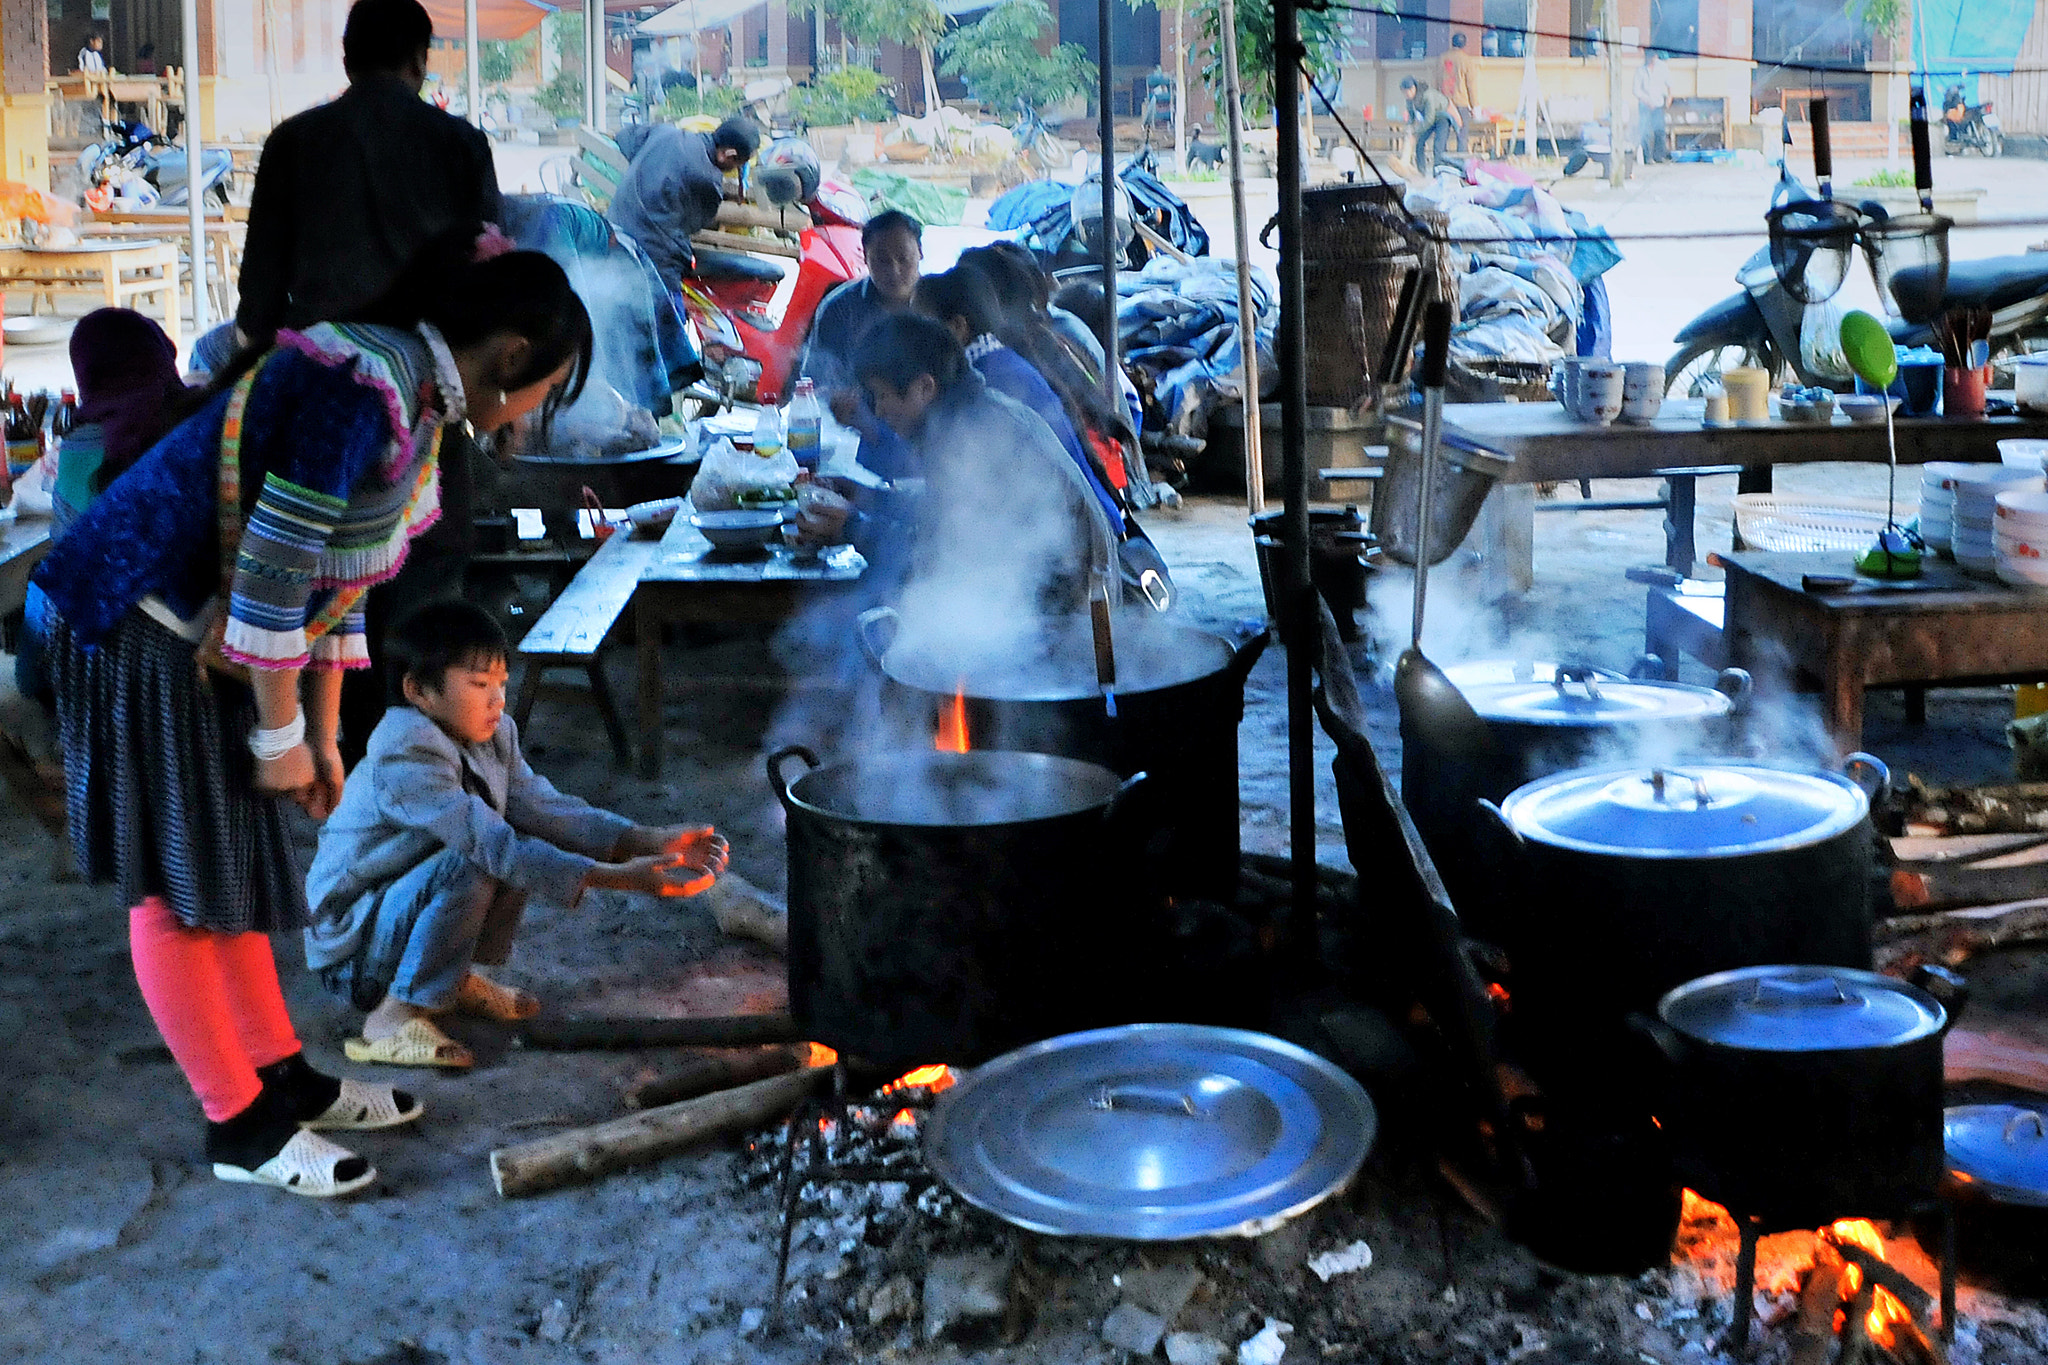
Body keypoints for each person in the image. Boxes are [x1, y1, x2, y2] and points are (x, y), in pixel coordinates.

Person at [30, 245, 595, 1198]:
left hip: (208, 635)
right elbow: (272, 576)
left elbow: (342, 589)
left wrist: (324, 742)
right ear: (510, 353)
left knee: (235, 867)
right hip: (131, 618)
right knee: (177, 883)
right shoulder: (362, 385)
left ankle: (278, 1072)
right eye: (544, 388)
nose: (533, 411)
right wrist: (281, 738)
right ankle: (238, 1124)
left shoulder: (414, 404)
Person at [304, 601, 729, 1069]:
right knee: (483, 856)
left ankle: (445, 980)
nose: (497, 700)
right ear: (419, 692)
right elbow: (493, 846)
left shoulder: (494, 734)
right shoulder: (405, 751)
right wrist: (620, 877)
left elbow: (546, 809)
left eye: (502, 684)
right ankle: (391, 1016)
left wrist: (650, 840)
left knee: (507, 842)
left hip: (398, 910)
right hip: (353, 944)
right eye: (479, 684)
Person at [795, 313, 1115, 619]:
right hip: (1034, 593)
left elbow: (945, 553)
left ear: (924, 387)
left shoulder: (979, 433)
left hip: (1060, 614)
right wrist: (869, 496)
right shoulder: (967, 414)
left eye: (882, 395)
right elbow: (947, 512)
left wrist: (852, 528)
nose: (878, 411)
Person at [236, 0, 501, 343]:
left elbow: (261, 281)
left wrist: (270, 358)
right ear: (420, 62)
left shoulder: (290, 142)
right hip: (432, 355)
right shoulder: (464, 143)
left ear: (347, 65)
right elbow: (492, 267)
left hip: (321, 350)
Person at [605, 115, 762, 294]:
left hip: (615, 232)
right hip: (654, 257)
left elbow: (625, 137)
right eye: (738, 164)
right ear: (728, 155)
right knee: (670, 317)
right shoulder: (708, 179)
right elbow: (695, 224)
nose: (736, 169)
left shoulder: (664, 132)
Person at [800, 209, 924, 411]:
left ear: (920, 252)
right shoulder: (840, 308)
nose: (894, 271)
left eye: (903, 259)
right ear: (865, 257)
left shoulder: (940, 303)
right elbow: (818, 382)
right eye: (882, 261)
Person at [1402, 76, 1459, 173]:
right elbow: (1411, 115)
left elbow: (1429, 119)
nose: (1407, 94)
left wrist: (1415, 132)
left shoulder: (1427, 95)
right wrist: (1409, 129)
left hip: (1442, 117)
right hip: (1429, 119)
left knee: (1438, 147)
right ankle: (1421, 173)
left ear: (1413, 88)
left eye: (1409, 91)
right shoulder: (1409, 99)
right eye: (1404, 92)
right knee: (1419, 143)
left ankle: (1437, 174)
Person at [1442, 33, 1479, 152]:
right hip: (1461, 103)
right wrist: (1474, 106)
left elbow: (1436, 81)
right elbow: (1471, 85)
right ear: (1464, 45)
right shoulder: (1467, 61)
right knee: (1462, 137)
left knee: (1442, 136)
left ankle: (1441, 162)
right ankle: (1461, 163)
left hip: (1445, 103)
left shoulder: (1442, 59)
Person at [1636, 51, 1671, 164]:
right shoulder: (1640, 70)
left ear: (1656, 57)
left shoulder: (1662, 68)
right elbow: (1636, 90)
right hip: (1645, 105)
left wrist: (1669, 98)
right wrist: (1646, 101)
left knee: (1659, 131)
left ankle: (1659, 156)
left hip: (1658, 104)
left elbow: (1670, 84)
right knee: (1645, 132)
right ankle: (1647, 158)